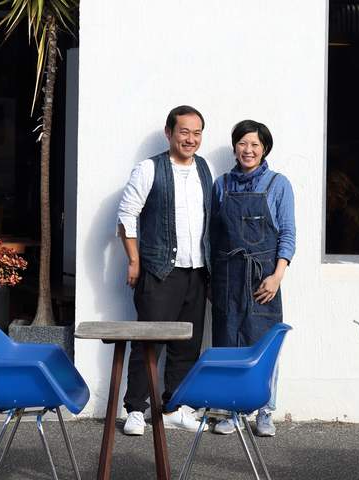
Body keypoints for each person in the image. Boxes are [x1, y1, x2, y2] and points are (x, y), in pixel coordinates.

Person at [117, 105, 213, 435]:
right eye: (184, 131)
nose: (191, 139)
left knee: (187, 344)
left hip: (197, 271)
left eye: (197, 132)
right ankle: (135, 409)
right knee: (149, 342)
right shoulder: (148, 169)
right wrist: (134, 261)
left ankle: (176, 407)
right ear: (169, 133)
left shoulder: (205, 169)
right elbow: (126, 216)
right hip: (160, 272)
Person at [210, 120, 296, 437]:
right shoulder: (220, 185)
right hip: (228, 275)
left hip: (263, 277)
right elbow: (212, 236)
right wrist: (211, 278)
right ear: (235, 147)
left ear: (265, 149)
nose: (248, 150)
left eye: (255, 144)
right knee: (228, 343)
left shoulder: (278, 184)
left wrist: (277, 276)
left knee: (263, 344)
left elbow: (287, 233)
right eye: (243, 143)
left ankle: (264, 411)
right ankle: (231, 411)